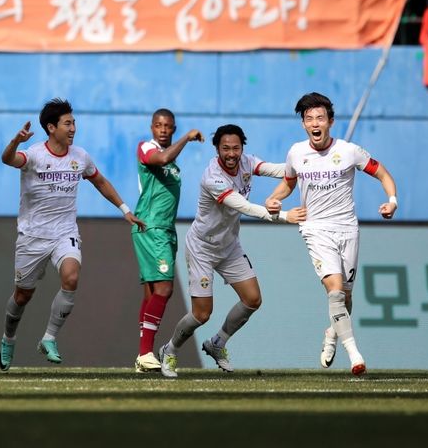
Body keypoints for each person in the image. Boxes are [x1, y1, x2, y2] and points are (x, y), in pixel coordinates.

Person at [0, 98, 143, 371]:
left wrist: (124, 209)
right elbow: (7, 159)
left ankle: (49, 338)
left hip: (65, 232)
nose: (73, 127)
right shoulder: (34, 155)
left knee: (71, 276)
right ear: (51, 128)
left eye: (74, 122)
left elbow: (99, 180)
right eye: (68, 123)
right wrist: (15, 141)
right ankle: (8, 338)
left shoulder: (80, 156)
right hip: (32, 236)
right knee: (21, 297)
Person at [157, 124, 307, 378]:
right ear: (217, 149)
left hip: (229, 246)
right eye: (225, 148)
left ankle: (218, 342)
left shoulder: (247, 163)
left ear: (242, 148)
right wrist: (284, 216)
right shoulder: (212, 178)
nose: (231, 153)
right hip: (202, 248)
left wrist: (307, 167)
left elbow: (277, 169)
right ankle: (169, 350)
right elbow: (245, 207)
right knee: (202, 314)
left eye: (236, 148)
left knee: (252, 299)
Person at [265, 92, 397, 376]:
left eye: (320, 118)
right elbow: (288, 184)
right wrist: (272, 200)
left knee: (346, 299)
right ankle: (355, 355)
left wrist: (392, 201)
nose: (315, 123)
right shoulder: (296, 153)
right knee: (335, 292)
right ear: (303, 124)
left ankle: (332, 333)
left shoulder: (349, 151)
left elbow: (383, 174)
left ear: (330, 122)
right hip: (315, 229)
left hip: (347, 229)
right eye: (309, 118)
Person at [132, 109, 204, 372]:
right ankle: (145, 353)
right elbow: (162, 158)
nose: (163, 130)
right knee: (164, 289)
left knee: (152, 292)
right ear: (152, 127)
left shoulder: (174, 165)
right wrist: (186, 137)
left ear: (171, 128)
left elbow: (168, 162)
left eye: (168, 127)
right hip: (152, 228)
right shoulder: (147, 148)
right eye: (159, 125)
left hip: (165, 229)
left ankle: (143, 356)